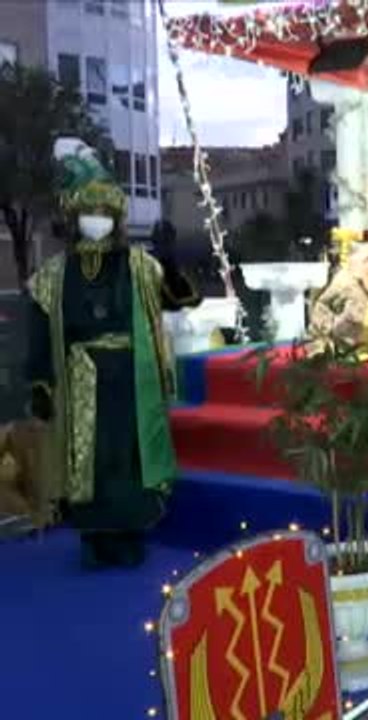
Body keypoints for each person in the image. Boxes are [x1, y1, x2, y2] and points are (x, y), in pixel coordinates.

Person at [26, 139, 202, 567]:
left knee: (130, 458)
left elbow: (181, 299)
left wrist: (170, 260)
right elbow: (38, 332)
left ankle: (129, 537)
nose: (97, 220)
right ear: (74, 218)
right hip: (79, 380)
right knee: (88, 461)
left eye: (105, 213)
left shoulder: (139, 265)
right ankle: (94, 540)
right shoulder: (52, 275)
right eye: (89, 213)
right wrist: (40, 383)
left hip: (132, 379)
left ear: (117, 218)